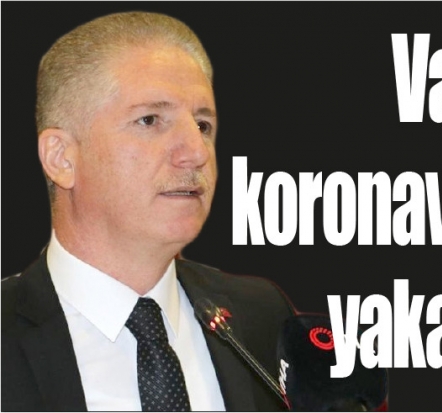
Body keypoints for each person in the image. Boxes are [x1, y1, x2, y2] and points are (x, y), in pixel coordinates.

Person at [2, 11, 294, 412]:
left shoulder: (261, 316)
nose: (196, 152)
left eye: (203, 125)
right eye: (150, 120)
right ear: (61, 158)